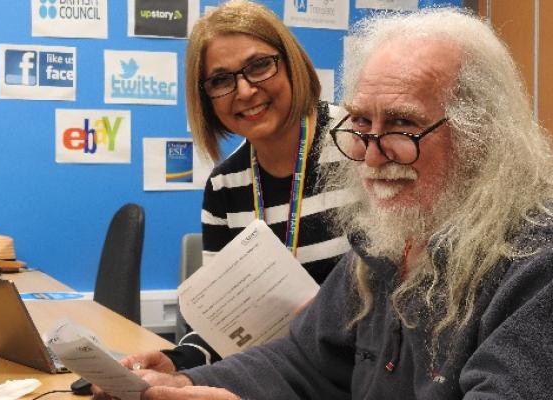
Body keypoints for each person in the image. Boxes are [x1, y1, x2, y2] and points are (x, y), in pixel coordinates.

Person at [96, 7, 553, 399]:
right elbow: (304, 360)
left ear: (480, 135)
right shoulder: (385, 243)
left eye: (401, 124)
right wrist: (186, 381)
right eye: (361, 124)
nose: (371, 155)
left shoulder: (534, 265)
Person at [156, 0, 352, 371]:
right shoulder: (225, 187)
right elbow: (225, 326)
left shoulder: (360, 146)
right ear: (206, 98)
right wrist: (174, 363)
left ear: (291, 62)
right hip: (283, 379)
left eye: (259, 65)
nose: (244, 91)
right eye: (220, 80)